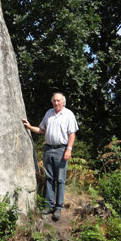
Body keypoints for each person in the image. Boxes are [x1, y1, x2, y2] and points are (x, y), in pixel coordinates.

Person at [22, 93, 79, 221]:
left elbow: (72, 134)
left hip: (61, 149)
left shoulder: (68, 114)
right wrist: (29, 127)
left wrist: (69, 149)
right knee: (49, 177)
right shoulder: (49, 113)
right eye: (54, 101)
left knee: (60, 179)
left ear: (63, 102)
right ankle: (48, 205)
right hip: (48, 149)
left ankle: (58, 207)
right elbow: (42, 129)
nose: (56, 103)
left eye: (58, 101)